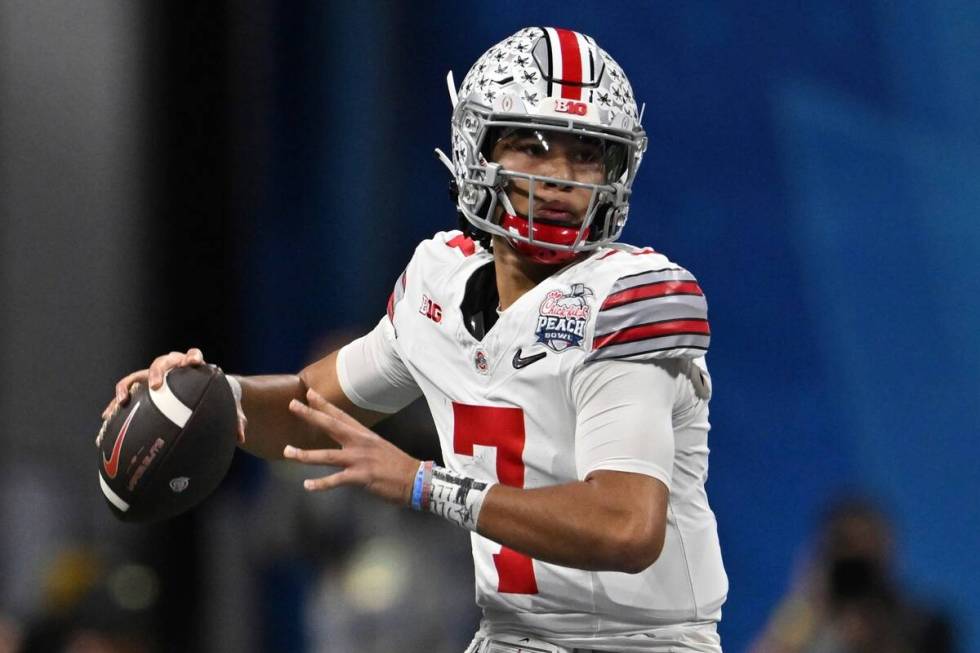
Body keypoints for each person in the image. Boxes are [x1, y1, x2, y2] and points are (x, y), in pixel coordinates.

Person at [102, 27, 727, 653]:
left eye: (588, 152)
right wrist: (208, 396)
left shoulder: (629, 297)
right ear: (476, 150)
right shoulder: (440, 282)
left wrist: (424, 483)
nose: (563, 177)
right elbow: (309, 412)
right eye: (533, 147)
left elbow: (625, 528)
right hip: (512, 636)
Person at [750, 497, 956, 653]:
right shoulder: (804, 625)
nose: (858, 566)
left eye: (868, 551)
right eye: (846, 546)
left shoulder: (926, 629)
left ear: (888, 552)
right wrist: (803, 605)